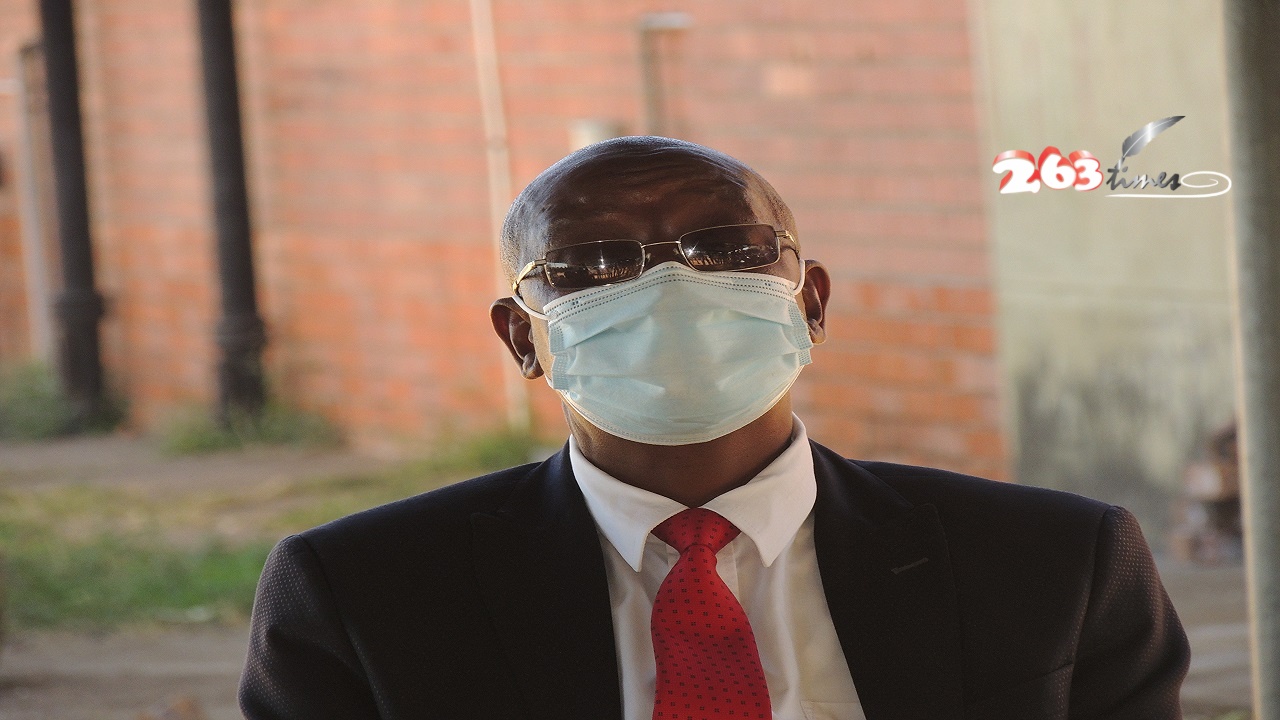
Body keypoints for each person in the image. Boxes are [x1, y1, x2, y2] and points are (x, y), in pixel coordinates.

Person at [239, 136, 1189, 719]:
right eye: (592, 265)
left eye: (726, 247)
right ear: (523, 338)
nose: (668, 288)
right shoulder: (366, 596)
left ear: (809, 302)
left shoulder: (1051, 564)